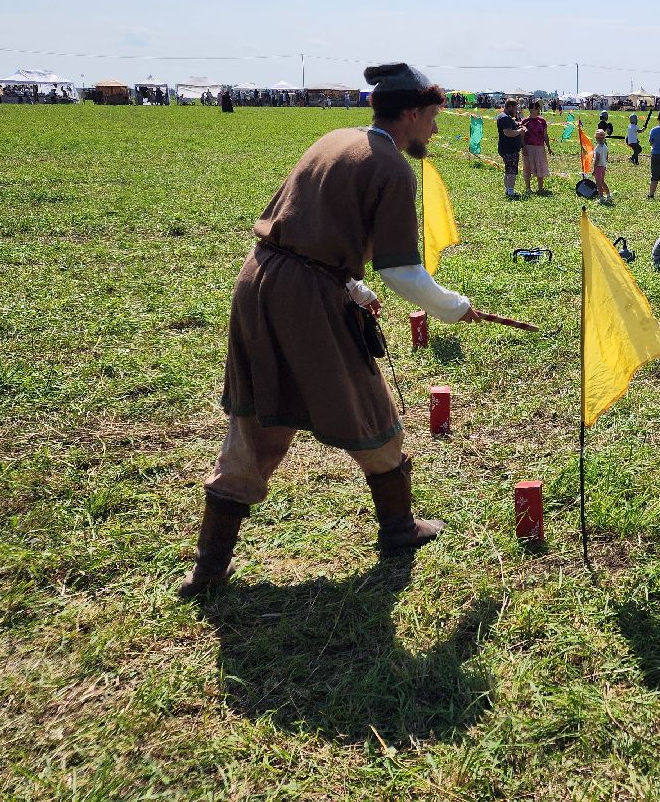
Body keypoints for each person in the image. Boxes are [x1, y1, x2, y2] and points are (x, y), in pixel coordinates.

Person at [179, 63, 485, 600]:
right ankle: (397, 529)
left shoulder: (334, 139)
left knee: (256, 412)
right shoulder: (391, 166)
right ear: (410, 113)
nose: (435, 130)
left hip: (263, 280)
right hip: (307, 299)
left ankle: (208, 570)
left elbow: (310, 229)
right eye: (434, 118)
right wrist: (455, 307)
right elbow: (402, 272)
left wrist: (350, 285)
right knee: (367, 404)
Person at [520, 99, 553, 194]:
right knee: (527, 168)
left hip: (539, 147)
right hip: (528, 147)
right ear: (530, 109)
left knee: (540, 167)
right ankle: (528, 188)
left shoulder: (542, 121)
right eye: (536, 108)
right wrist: (523, 147)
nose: (538, 110)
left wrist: (549, 147)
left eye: (539, 108)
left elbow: (545, 135)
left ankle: (540, 188)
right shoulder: (524, 121)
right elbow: (522, 136)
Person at [497, 99, 525, 199]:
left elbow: (512, 125)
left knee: (508, 170)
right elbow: (508, 132)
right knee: (512, 171)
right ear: (510, 107)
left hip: (506, 148)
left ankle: (507, 190)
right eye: (515, 109)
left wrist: (518, 125)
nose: (516, 111)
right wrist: (520, 131)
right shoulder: (504, 118)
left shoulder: (505, 116)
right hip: (509, 149)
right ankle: (511, 192)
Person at [592, 128, 612, 204]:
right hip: (604, 166)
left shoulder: (597, 148)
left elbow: (596, 160)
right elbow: (607, 157)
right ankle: (608, 195)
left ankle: (601, 198)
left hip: (598, 167)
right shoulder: (605, 147)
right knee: (602, 181)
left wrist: (594, 169)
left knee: (598, 183)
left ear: (597, 138)